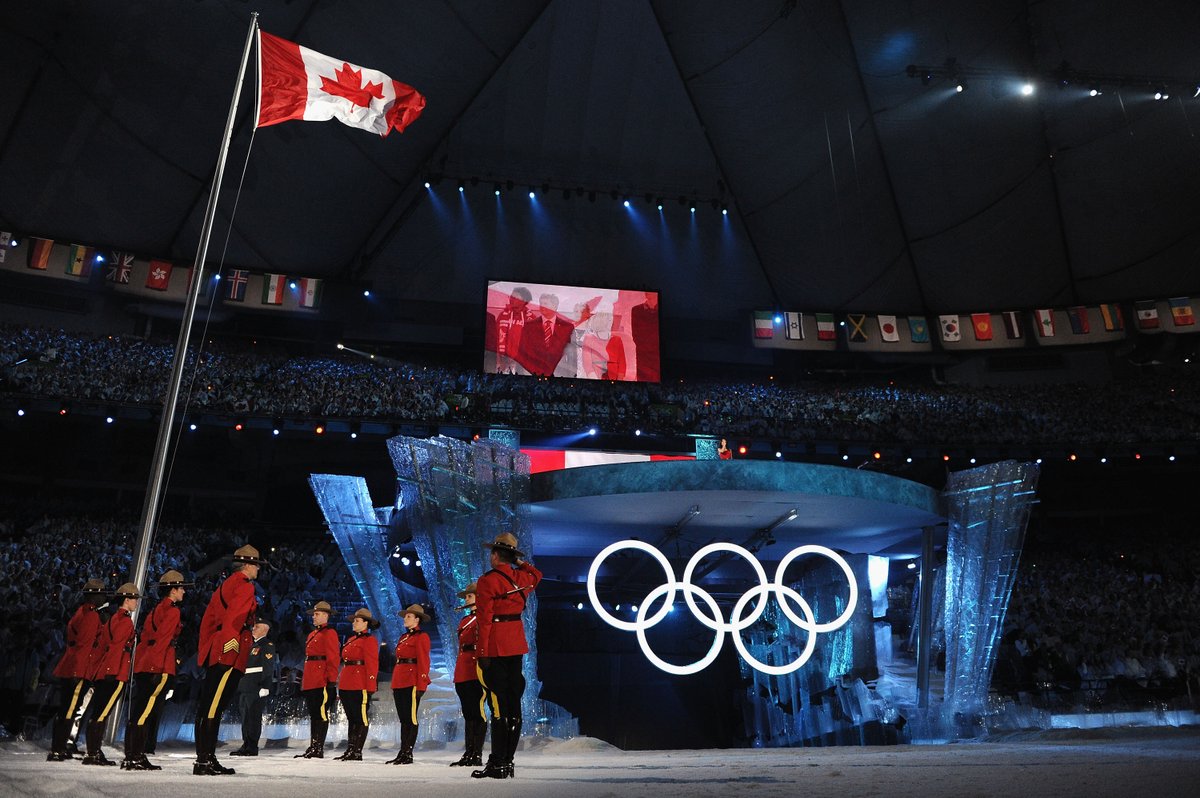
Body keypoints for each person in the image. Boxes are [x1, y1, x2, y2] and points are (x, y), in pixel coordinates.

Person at [471, 532, 542, 780]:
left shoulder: (487, 581)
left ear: (494, 555)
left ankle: (498, 763)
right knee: (513, 705)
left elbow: (484, 619)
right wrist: (520, 562)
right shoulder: (521, 576)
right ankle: (507, 762)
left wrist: (482, 652)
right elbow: (537, 575)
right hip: (515, 643)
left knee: (499, 706)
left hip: (496, 645)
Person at [194, 544, 267, 776]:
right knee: (213, 707)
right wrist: (230, 649)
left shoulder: (228, 584)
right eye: (256, 565)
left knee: (210, 706)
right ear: (247, 565)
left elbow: (211, 621)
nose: (258, 569)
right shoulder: (244, 586)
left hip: (218, 648)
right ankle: (204, 761)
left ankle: (206, 758)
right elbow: (234, 620)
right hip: (228, 651)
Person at [123, 569, 191, 771]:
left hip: (146, 661)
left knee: (138, 711)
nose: (184, 593)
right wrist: (156, 667)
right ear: (173, 590)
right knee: (145, 712)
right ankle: (136, 755)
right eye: (181, 589)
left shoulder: (156, 610)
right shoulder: (173, 611)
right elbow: (163, 640)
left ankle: (131, 754)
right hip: (158, 663)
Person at [46, 578, 107, 762]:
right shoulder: (91, 615)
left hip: (73, 665)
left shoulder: (82, 612)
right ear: (94, 596)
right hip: (79, 669)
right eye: (101, 593)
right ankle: (58, 749)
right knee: (70, 709)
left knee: (67, 709)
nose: (104, 596)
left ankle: (60, 746)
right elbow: (85, 646)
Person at [82, 582, 140, 766]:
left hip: (105, 671)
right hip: (115, 672)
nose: (136, 603)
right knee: (102, 713)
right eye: (134, 599)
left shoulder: (113, 619)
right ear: (127, 600)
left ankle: (93, 752)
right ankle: (94, 753)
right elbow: (116, 649)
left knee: (98, 712)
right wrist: (112, 672)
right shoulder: (124, 621)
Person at [386, 604, 431, 765]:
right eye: (406, 616)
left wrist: (421, 684)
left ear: (417, 619)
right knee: (403, 718)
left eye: (409, 616)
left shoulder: (421, 637)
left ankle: (408, 752)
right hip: (400, 679)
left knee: (410, 718)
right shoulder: (403, 638)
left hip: (412, 680)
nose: (405, 618)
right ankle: (402, 751)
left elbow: (424, 662)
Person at [295, 600, 340, 759]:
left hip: (321, 679)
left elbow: (333, 658)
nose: (314, 617)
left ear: (326, 616)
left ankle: (318, 747)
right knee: (314, 714)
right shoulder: (313, 634)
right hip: (311, 678)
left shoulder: (330, 633)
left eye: (317, 614)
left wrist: (331, 681)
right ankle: (313, 745)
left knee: (320, 714)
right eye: (314, 614)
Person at [334, 608, 380, 762]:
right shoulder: (350, 640)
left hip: (360, 683)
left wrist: (370, 686)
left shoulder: (369, 640)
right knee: (352, 718)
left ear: (366, 623)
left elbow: (372, 664)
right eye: (354, 620)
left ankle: (357, 751)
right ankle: (350, 748)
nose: (354, 623)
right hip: (347, 682)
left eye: (357, 621)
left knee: (360, 719)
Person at [450, 581, 486, 768]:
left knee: (477, 712)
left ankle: (477, 753)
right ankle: (469, 752)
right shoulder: (465, 620)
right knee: (468, 713)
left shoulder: (483, 617)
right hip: (463, 668)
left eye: (470, 596)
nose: (466, 600)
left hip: (476, 668)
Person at [229, 621, 276, 757]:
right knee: (245, 717)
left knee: (253, 717)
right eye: (254, 626)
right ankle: (246, 744)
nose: (253, 629)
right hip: (245, 685)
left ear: (265, 629)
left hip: (256, 686)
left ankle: (252, 746)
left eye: (257, 627)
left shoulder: (267, 645)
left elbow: (268, 667)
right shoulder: (251, 645)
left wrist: (266, 685)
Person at [484, 286, 534, 374]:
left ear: (524, 301)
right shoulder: (503, 315)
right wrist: (500, 358)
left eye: (515, 297)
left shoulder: (531, 318)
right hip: (503, 359)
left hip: (523, 361)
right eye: (511, 297)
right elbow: (496, 338)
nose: (511, 299)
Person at [630, 291, 660, 382]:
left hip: (657, 356)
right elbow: (635, 335)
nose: (648, 293)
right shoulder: (636, 310)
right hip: (643, 357)